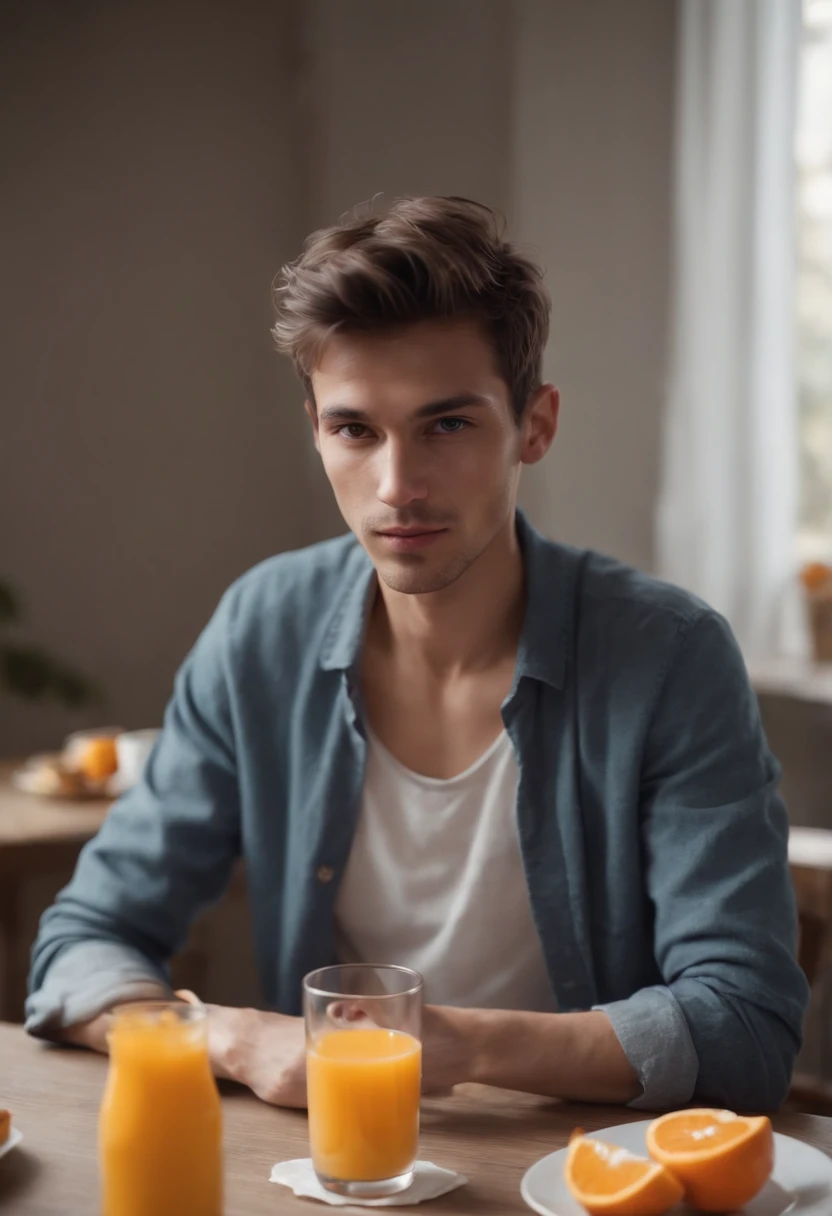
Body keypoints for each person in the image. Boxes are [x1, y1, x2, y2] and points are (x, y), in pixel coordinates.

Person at [27, 196, 808, 1112]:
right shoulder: (263, 629)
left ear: (536, 426)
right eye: (356, 430)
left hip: (587, 1176)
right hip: (334, 1169)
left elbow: (744, 1028)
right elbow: (86, 938)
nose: (398, 487)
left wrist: (452, 1044)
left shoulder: (670, 657)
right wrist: (231, 1036)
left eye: (447, 425)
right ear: (317, 429)